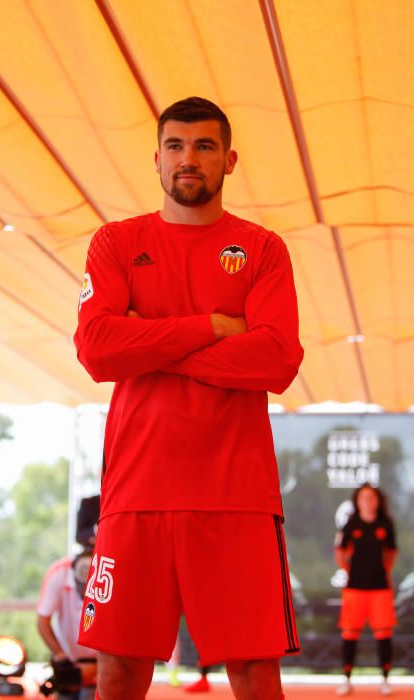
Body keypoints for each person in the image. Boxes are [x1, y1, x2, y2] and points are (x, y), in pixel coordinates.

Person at [74, 96, 304, 700]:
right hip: (136, 492)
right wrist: (208, 326)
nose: (188, 159)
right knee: (119, 671)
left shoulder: (264, 249)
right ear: (156, 159)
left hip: (237, 498)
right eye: (176, 146)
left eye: (204, 146)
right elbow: (97, 349)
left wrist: (145, 339)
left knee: (255, 673)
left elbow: (277, 360)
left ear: (229, 160)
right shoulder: (115, 243)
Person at [334, 483, 397, 696]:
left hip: (380, 587)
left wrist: (380, 571)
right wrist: (354, 571)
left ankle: (385, 680)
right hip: (355, 588)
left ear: (378, 500)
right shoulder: (351, 525)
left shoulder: (385, 524)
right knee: (350, 632)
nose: (368, 501)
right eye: (363, 497)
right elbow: (340, 553)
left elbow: (391, 553)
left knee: (383, 632)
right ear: (357, 501)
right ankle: (346, 679)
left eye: (371, 497)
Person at [37, 552, 97, 700]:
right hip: (68, 663)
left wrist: (98, 667)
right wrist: (60, 655)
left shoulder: (112, 574)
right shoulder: (58, 573)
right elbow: (42, 621)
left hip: (99, 664)